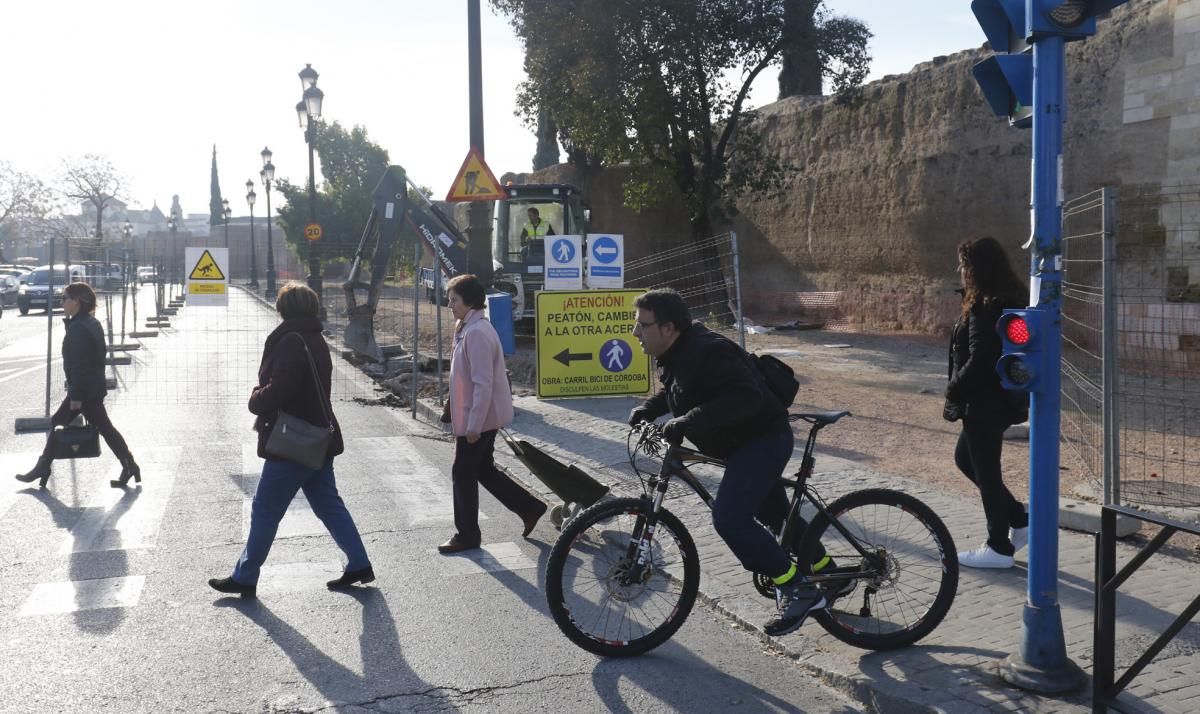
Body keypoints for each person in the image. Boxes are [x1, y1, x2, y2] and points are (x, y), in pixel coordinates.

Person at [627, 288, 826, 637]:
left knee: (730, 518)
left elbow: (745, 396)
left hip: (763, 440)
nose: (635, 332)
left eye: (643, 325)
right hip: (741, 444)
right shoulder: (678, 354)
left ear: (668, 328)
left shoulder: (707, 351)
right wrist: (651, 409)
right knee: (777, 516)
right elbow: (680, 390)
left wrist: (688, 421)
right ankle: (826, 571)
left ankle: (799, 587)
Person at [208, 282, 372, 597]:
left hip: (294, 440)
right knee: (328, 504)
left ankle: (245, 575)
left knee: (265, 508)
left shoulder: (291, 342)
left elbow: (280, 389)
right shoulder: (314, 338)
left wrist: (256, 398)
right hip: (318, 436)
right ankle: (359, 563)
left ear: (284, 308)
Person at [438, 274, 547, 554]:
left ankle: (467, 535)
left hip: (479, 418)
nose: (449, 305)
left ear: (471, 302)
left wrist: (473, 426)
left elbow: (483, 384)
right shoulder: (467, 327)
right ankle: (530, 507)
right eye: (449, 299)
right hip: (477, 415)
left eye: (454, 300)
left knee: (462, 473)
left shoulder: (476, 333)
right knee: (483, 469)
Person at [944, 236, 1030, 569]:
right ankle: (1019, 520)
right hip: (999, 401)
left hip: (984, 403)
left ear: (976, 268)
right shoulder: (1007, 298)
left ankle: (998, 547)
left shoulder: (985, 305)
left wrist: (955, 388)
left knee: (986, 472)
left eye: (964, 264)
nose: (961, 271)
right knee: (966, 458)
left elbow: (982, 357)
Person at [16, 282, 140, 488]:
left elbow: (80, 365)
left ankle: (43, 467)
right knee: (105, 428)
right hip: (92, 388)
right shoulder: (89, 322)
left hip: (85, 392)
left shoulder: (79, 328)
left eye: (65, 298)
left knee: (59, 422)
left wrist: (76, 397)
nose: (61, 302)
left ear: (77, 301)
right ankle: (129, 465)